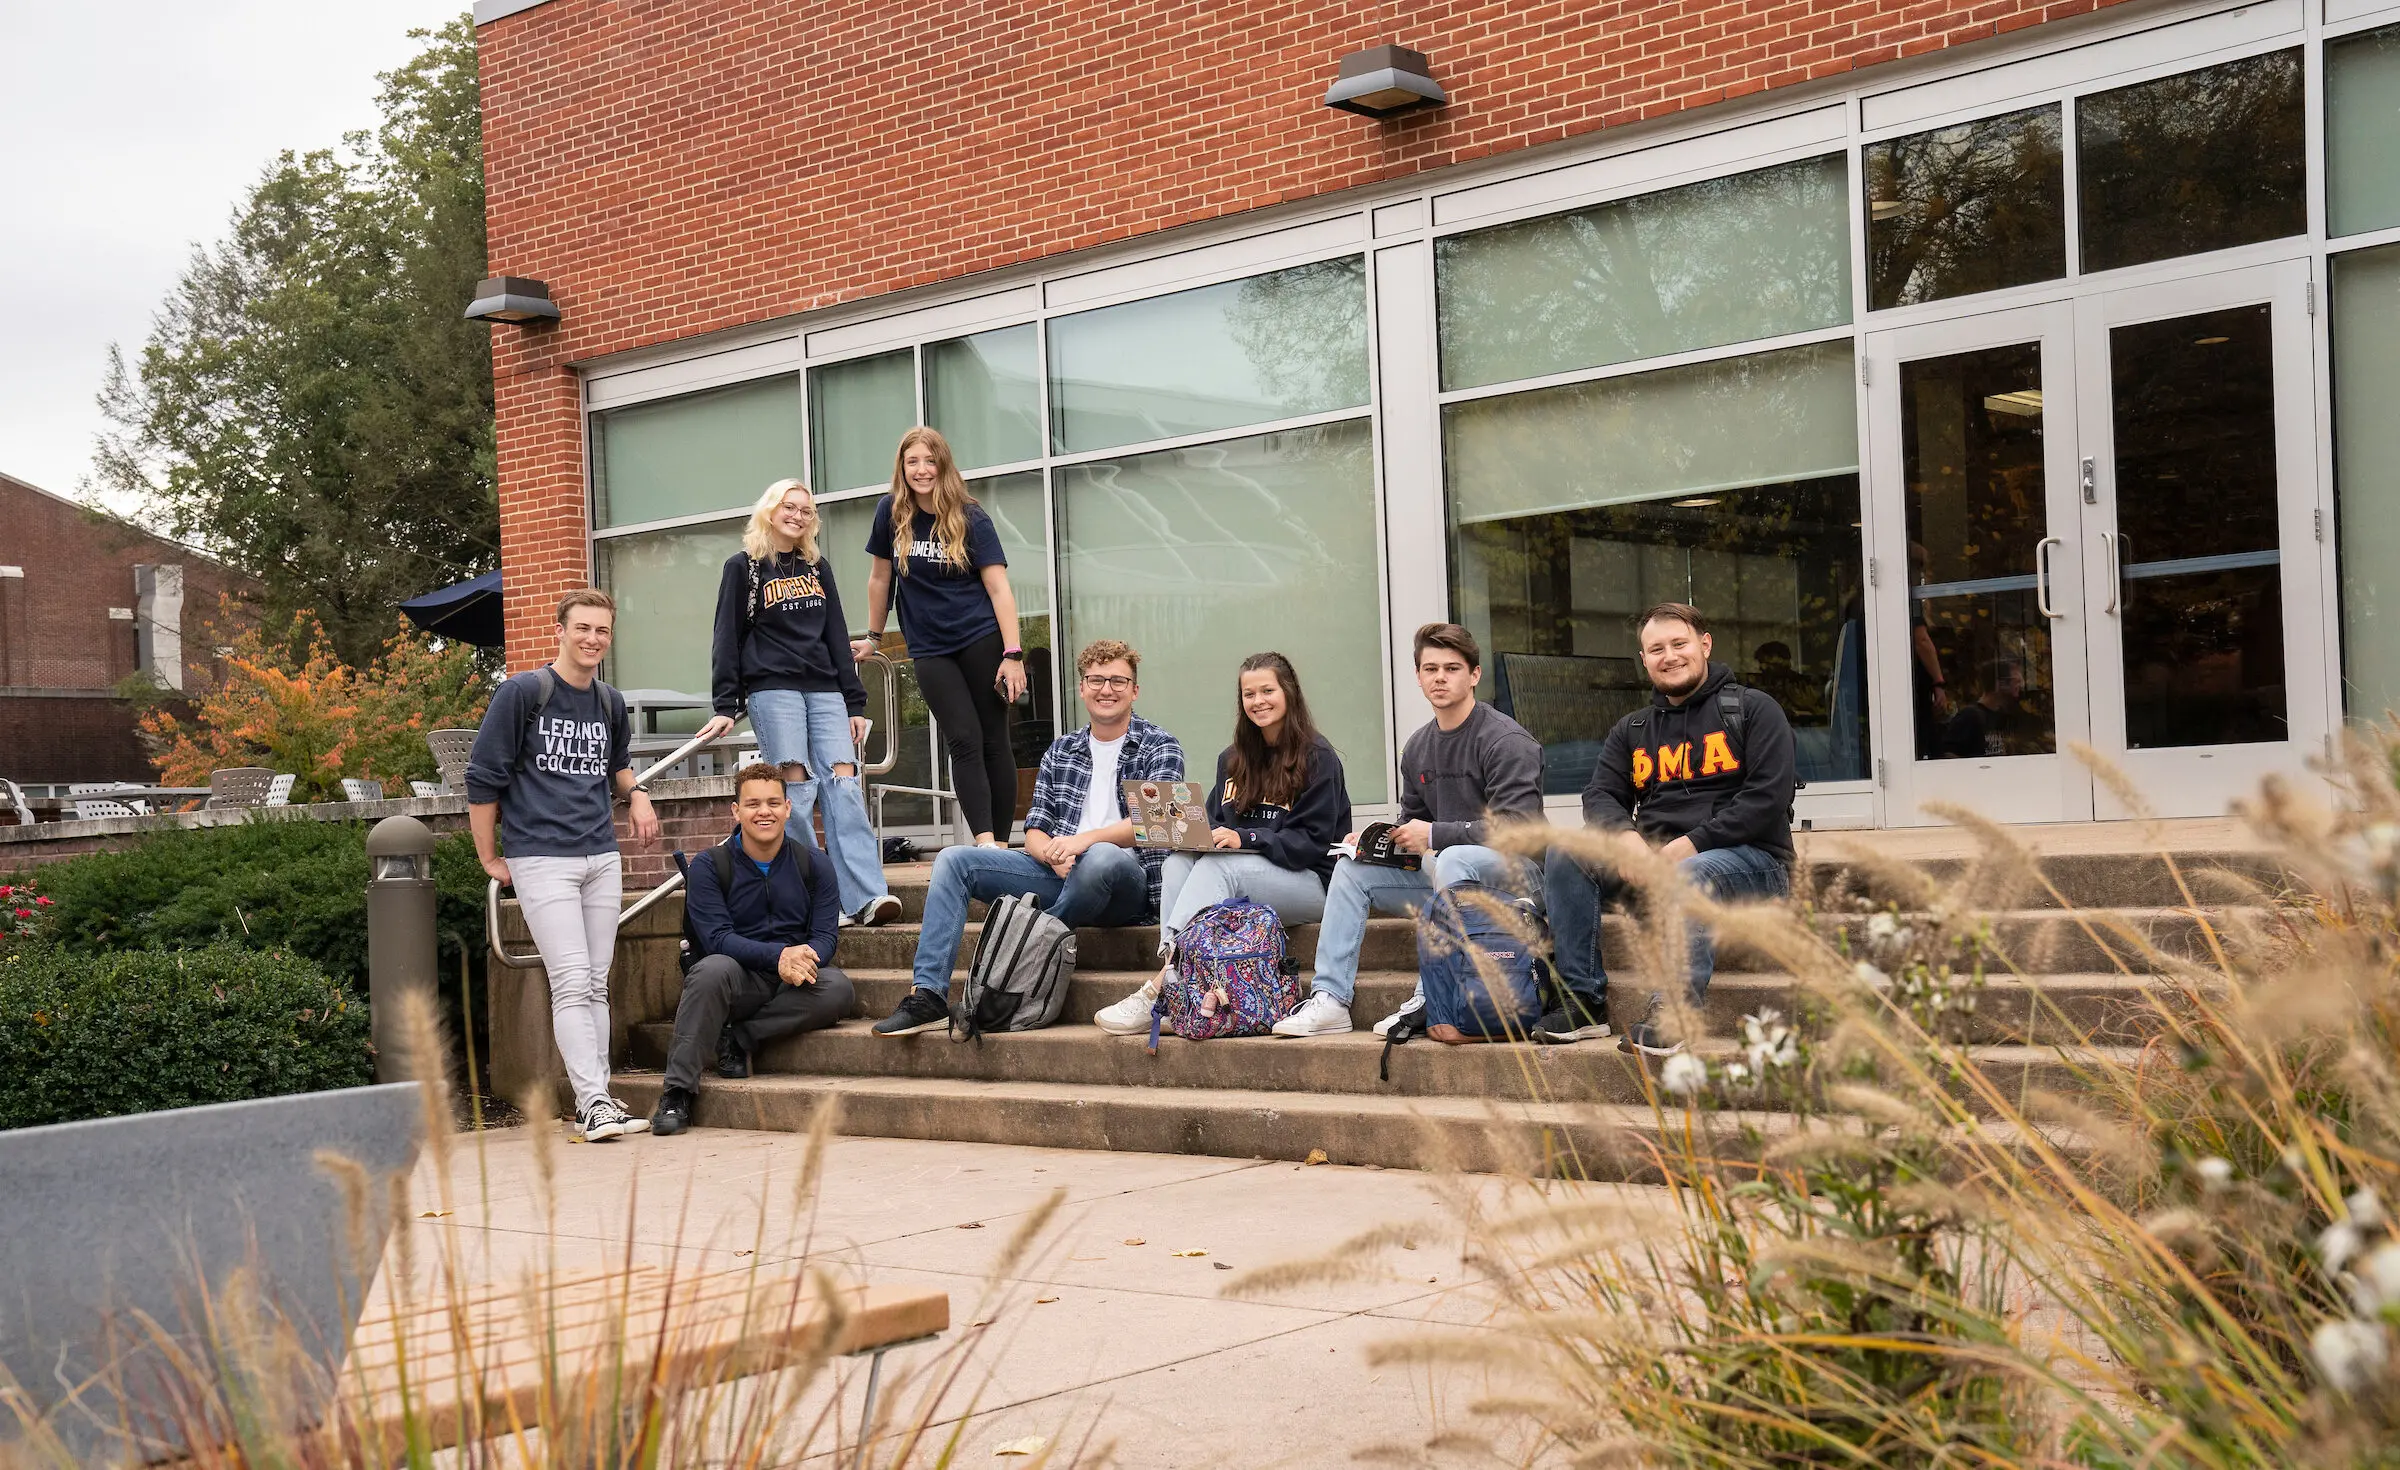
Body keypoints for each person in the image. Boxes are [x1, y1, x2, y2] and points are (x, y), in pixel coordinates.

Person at [873, 639, 1185, 1036]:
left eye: (1118, 681)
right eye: (1096, 680)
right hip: (1061, 872)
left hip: (1125, 879)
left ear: (1135, 690)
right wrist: (1052, 855)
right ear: (1083, 687)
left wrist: (1081, 842)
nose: (1107, 689)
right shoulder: (1062, 749)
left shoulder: (1160, 744)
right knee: (954, 860)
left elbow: (1160, 824)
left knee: (1103, 856)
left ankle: (1019, 951)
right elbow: (1036, 829)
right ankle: (928, 996)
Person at [1543, 601, 1797, 1057]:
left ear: (1704, 644)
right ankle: (1582, 1003)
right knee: (1567, 852)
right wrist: (1628, 841)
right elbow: (1600, 796)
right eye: (1656, 648)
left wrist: (1690, 845)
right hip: (1654, 868)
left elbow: (1767, 798)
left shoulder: (1754, 710)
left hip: (1750, 865)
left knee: (1693, 871)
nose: (1669, 656)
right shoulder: (1633, 729)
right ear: (1644, 660)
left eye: (1679, 644)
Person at [1273, 623, 1544, 1041]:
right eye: (1430, 668)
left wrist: (1433, 835)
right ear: (1417, 676)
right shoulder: (1418, 746)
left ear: (1474, 675)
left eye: (1452, 668)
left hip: (1513, 879)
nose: (1440, 677)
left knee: (1451, 857)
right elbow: (1412, 826)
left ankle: (1432, 994)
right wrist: (1374, 841)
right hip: (1446, 880)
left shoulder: (1504, 739)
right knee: (1352, 871)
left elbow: (1519, 828)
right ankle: (1330, 999)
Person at [465, 588, 661, 1143]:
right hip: (540, 857)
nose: (592, 639)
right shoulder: (523, 693)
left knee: (597, 982)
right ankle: (594, 1101)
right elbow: (483, 781)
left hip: (600, 854)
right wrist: (488, 856)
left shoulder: (608, 702)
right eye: (582, 628)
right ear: (560, 629)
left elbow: (617, 766)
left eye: (602, 630)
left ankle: (596, 1099)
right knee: (572, 979)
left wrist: (639, 795)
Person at [1093, 652, 1351, 1035]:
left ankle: (1162, 986)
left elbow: (1310, 844)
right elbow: (1215, 822)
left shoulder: (1318, 757)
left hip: (1310, 882)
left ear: (1289, 693)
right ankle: (1175, 973)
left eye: (1268, 690)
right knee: (1178, 862)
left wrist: (1244, 837)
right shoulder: (1233, 759)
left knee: (1219, 866)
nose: (1258, 701)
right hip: (1246, 875)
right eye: (1249, 694)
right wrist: (1190, 832)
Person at [697, 478, 900, 928]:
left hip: (825, 687)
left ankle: (867, 897)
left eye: (805, 511)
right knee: (796, 789)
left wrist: (855, 702)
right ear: (770, 511)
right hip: (773, 689)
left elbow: (835, 634)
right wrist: (724, 703)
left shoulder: (816, 566)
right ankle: (820, 904)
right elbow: (726, 636)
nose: (797, 515)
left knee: (844, 785)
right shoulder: (744, 567)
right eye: (789, 507)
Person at [649, 762, 855, 1135]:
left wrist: (802, 958)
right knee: (710, 970)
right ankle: (677, 1093)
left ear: (788, 808)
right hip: (737, 978)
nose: (765, 812)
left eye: (774, 803)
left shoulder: (815, 864)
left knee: (838, 987)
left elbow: (826, 937)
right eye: (754, 804)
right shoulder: (710, 866)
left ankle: (740, 1037)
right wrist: (777, 957)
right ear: (736, 811)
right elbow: (716, 940)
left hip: (792, 981)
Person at [850, 427, 1028, 847]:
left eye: (930, 461)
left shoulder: (970, 517)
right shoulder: (890, 513)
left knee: (993, 739)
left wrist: (1013, 653)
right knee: (962, 739)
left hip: (980, 638)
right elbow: (880, 579)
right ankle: (984, 842)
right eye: (913, 461)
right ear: (902, 467)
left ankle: (1001, 845)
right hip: (930, 648)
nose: (922, 470)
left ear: (943, 465)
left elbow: (999, 588)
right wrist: (874, 637)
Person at [1941, 658, 2022, 758]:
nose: (2020, 685)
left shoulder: (2003, 715)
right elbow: (1948, 753)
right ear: (1999, 684)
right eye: (2016, 680)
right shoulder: (1969, 716)